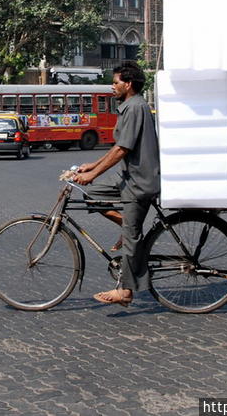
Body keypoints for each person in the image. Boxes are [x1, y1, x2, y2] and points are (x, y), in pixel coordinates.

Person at [73, 61, 160, 307]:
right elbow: (117, 146)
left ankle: (126, 292)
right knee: (91, 194)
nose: (112, 87)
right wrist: (93, 166)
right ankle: (125, 223)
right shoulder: (128, 106)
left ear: (128, 84)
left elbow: (122, 149)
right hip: (126, 177)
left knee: (132, 238)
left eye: (115, 82)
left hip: (139, 182)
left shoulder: (135, 107)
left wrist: (94, 172)